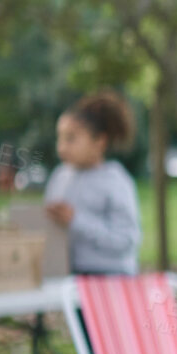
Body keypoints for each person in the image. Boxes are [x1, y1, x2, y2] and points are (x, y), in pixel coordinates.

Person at [46, 91, 141, 275]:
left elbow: (127, 240)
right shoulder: (59, 177)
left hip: (110, 280)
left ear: (99, 141)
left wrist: (75, 220)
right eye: (60, 138)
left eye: (71, 138)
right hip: (68, 277)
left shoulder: (115, 181)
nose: (62, 147)